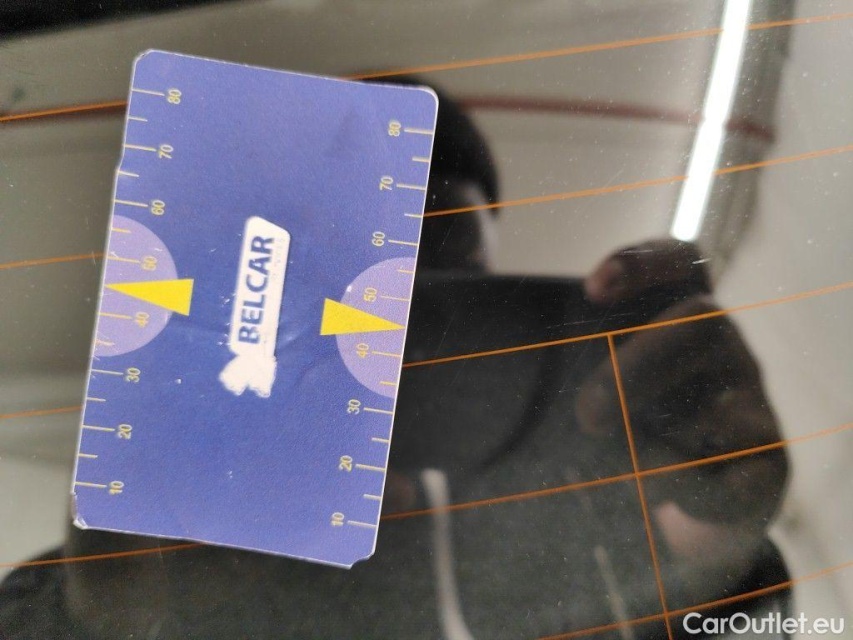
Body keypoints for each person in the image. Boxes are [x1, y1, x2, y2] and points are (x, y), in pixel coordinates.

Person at [0, 78, 787, 640]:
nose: (394, 328)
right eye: (365, 271)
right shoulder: (154, 544)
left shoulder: (601, 505)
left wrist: (721, 565)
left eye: (448, 286)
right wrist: (87, 618)